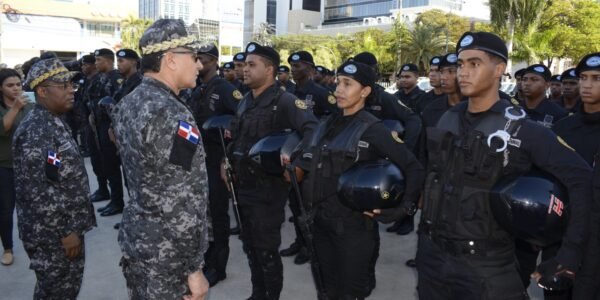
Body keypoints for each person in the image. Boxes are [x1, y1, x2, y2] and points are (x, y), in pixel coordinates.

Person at [416, 31, 592, 300]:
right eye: (460, 64)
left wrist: (569, 253)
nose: (463, 72)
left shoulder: (523, 129)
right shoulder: (446, 119)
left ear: (499, 69)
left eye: (474, 64)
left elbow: (580, 180)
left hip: (486, 267)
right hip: (432, 259)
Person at [292, 60, 425, 299]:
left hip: (353, 231)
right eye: (338, 82)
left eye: (348, 84)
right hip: (319, 225)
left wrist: (403, 209)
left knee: (350, 293)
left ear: (365, 91)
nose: (339, 89)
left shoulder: (373, 129)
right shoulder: (327, 123)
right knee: (326, 291)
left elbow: (413, 167)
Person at [111, 19, 210, 299]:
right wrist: (194, 269)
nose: (200, 65)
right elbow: (184, 198)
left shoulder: (130, 103)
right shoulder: (173, 116)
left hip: (140, 243)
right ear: (170, 60)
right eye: (193, 57)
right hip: (168, 258)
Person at [226, 42, 317, 299]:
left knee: (266, 251)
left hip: (268, 192)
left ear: (270, 70)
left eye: (251, 65)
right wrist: (226, 163)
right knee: (250, 247)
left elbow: (313, 133)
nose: (244, 69)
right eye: (243, 65)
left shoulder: (286, 101)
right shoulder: (245, 101)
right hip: (242, 187)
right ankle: (258, 294)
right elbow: (237, 139)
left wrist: (300, 166)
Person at [12, 58, 97, 299]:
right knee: (56, 292)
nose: (71, 90)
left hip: (62, 230)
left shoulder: (52, 121)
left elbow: (55, 174)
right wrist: (65, 231)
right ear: (42, 91)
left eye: (71, 84)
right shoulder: (37, 130)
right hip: (53, 235)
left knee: (63, 290)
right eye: (63, 86)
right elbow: (39, 190)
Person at [190, 43, 241, 287]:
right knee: (204, 213)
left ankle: (218, 266)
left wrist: (227, 156)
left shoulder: (225, 89)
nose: (198, 63)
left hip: (217, 156)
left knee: (218, 214)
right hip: (198, 158)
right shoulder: (198, 88)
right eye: (196, 59)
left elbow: (241, 121)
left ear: (214, 61)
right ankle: (207, 258)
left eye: (203, 59)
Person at [554, 52, 600, 299]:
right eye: (584, 77)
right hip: (561, 235)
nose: (587, 84)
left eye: (597, 78)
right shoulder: (563, 128)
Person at [0, 68, 34, 266]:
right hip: (4, 165)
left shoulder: (28, 105)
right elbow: (3, 128)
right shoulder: (13, 106)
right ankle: (8, 248)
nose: (15, 89)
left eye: (18, 85)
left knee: (32, 207)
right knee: (5, 209)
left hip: (27, 165)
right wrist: (15, 108)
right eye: (10, 85)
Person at [86, 48, 125, 217]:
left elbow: (118, 104)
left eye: (99, 60)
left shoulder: (117, 79)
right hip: (98, 125)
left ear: (109, 61)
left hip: (110, 126)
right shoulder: (99, 78)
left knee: (112, 164)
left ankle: (118, 202)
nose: (96, 63)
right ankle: (112, 197)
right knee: (104, 163)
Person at [288, 51, 338, 118]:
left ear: (310, 68)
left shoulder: (322, 93)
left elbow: (335, 117)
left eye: (297, 66)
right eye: (291, 66)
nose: (292, 69)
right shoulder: (289, 92)